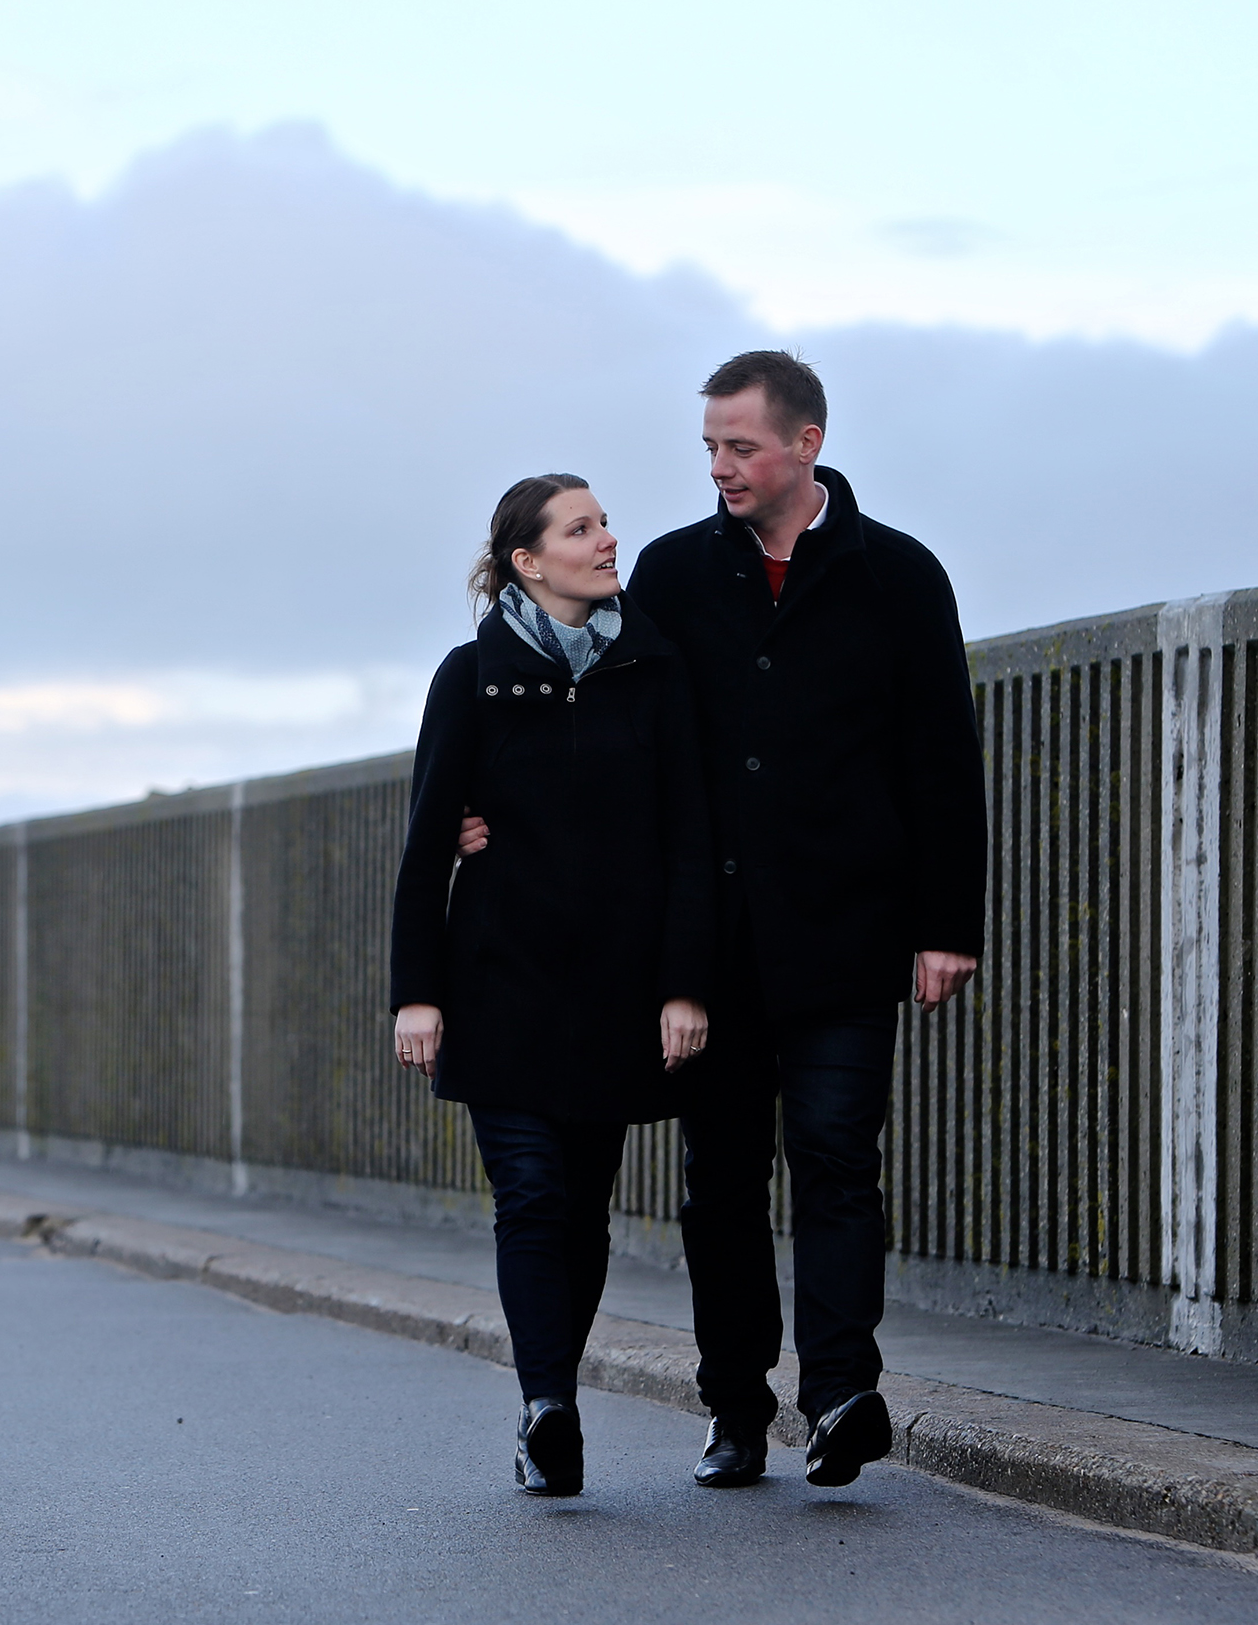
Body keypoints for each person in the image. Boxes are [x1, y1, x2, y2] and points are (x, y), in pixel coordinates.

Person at [459, 353, 986, 1491]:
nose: (719, 467)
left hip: (849, 930)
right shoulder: (673, 571)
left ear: (806, 443)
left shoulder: (900, 574)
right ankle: (737, 1408)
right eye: (709, 446)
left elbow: (944, 759)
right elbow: (595, 707)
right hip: (711, 942)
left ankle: (839, 1393)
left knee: (839, 1159)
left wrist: (948, 924)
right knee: (724, 1184)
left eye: (739, 447)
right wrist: (485, 807)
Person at [390, 473, 715, 1497]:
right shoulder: (472, 676)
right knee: (530, 1194)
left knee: (581, 1209)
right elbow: (426, 839)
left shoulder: (653, 669)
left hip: (618, 989)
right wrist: (417, 992)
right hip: (501, 985)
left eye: (605, 522)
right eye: (582, 528)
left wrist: (684, 986)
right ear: (528, 562)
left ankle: (552, 1393)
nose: (607, 538)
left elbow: (691, 840)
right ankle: (547, 1407)